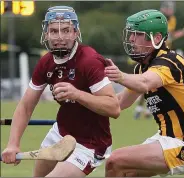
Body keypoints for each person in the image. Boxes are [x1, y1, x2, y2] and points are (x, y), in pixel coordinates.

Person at [1, 6, 120, 177]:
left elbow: (113, 108)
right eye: (54, 31)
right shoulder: (46, 63)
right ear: (46, 34)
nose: (60, 37)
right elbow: (26, 106)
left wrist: (76, 94)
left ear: (76, 33)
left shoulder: (89, 61)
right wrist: (13, 144)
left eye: (66, 30)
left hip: (91, 143)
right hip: (60, 133)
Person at [104, 9, 184, 177]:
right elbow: (120, 102)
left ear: (156, 39)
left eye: (137, 34)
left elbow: (144, 83)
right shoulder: (142, 66)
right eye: (131, 34)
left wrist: (119, 76)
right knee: (120, 170)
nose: (131, 39)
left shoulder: (169, 63)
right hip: (167, 138)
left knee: (115, 159)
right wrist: (84, 106)